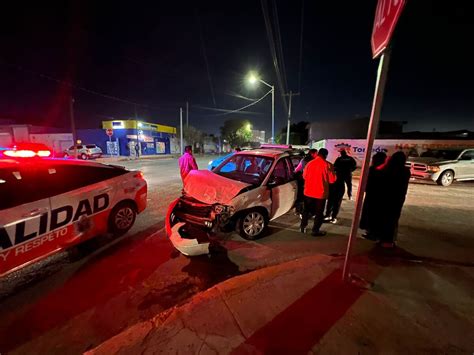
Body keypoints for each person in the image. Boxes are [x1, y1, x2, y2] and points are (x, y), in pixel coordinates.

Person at [376, 151, 410, 248]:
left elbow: (377, 170)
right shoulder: (405, 171)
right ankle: (389, 240)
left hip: (385, 197)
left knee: (383, 218)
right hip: (398, 198)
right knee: (393, 219)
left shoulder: (387, 169)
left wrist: (386, 162)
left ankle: (383, 238)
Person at [300, 148, 336, 236]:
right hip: (320, 194)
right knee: (319, 213)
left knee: (306, 210)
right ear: (326, 155)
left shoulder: (309, 164)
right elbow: (332, 180)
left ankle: (302, 227)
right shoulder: (328, 165)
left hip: (308, 192)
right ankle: (315, 230)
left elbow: (304, 176)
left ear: (318, 154)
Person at [360, 151, 387, 240]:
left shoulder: (373, 169)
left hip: (373, 195)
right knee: (375, 214)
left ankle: (372, 233)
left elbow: (366, 182)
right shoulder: (385, 170)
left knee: (371, 214)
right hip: (379, 196)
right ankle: (373, 232)